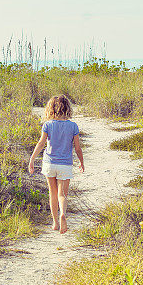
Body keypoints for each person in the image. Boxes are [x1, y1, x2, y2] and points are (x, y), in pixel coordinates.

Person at [28, 95, 84, 234]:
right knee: (62, 194)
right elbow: (77, 148)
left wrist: (32, 159)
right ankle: (63, 214)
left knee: (52, 193)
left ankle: (54, 222)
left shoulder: (48, 124)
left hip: (49, 163)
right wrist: (82, 162)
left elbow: (41, 143)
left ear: (51, 108)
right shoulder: (73, 126)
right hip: (65, 165)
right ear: (67, 108)